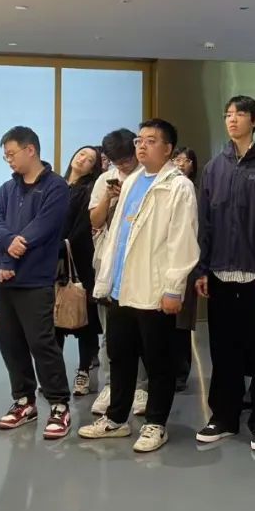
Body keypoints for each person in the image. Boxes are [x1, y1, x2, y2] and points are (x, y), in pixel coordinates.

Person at [79, 119, 199, 452]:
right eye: (139, 140)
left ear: (168, 149)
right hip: (122, 288)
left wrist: (174, 288)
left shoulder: (178, 187)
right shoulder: (131, 181)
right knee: (120, 356)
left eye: (150, 140)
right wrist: (106, 278)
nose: (141, 146)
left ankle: (156, 424)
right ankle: (116, 419)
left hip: (154, 289)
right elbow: (117, 235)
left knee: (158, 362)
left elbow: (183, 241)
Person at [195, 95, 255, 452]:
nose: (232, 119)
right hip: (220, 274)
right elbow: (205, 222)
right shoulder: (214, 167)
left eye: (239, 114)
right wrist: (202, 268)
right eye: (227, 114)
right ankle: (223, 417)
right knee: (223, 351)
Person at [0, 127, 72, 439]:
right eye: (6, 156)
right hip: (3, 279)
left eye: (12, 154)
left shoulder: (55, 187)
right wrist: (8, 243)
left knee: (41, 343)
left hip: (35, 279)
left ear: (30, 150)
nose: (9, 160)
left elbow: (44, 226)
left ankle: (59, 405)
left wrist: (13, 249)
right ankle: (24, 401)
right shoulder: (7, 189)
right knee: (10, 343)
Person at [87, 128, 148, 417]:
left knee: (140, 330)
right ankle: (112, 386)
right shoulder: (105, 180)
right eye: (117, 162)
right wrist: (109, 198)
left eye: (127, 160)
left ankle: (141, 387)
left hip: (140, 263)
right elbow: (95, 221)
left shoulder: (148, 177)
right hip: (109, 263)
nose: (123, 166)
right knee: (110, 331)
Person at [56, 146, 104, 396]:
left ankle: (84, 372)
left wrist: (62, 246)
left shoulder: (89, 189)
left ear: (93, 168)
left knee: (85, 318)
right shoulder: (56, 184)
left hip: (79, 259)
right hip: (51, 260)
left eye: (90, 159)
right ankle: (54, 375)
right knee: (54, 317)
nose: (83, 159)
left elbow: (83, 226)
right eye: (81, 154)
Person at [171, 146, 201, 392]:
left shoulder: (197, 191)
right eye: (177, 159)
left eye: (186, 160)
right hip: (165, 261)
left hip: (190, 261)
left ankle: (181, 371)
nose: (181, 163)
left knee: (182, 320)